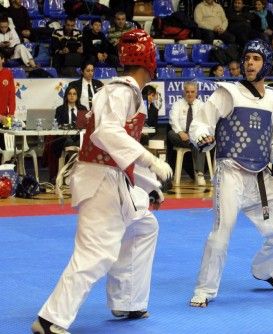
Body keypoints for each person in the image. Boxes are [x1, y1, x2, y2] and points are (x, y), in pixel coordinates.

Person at [31, 29, 173, 334]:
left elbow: (120, 148)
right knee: (96, 251)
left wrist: (149, 186)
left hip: (113, 178)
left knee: (144, 226)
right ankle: (51, 319)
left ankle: (127, 300)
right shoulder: (120, 91)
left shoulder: (128, 93)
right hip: (100, 180)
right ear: (149, 59)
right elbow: (106, 134)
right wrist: (152, 161)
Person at [188, 39, 273, 308]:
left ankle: (263, 270)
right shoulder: (227, 93)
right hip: (231, 174)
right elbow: (200, 122)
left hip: (260, 176)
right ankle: (204, 289)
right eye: (247, 58)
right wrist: (202, 135)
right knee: (222, 229)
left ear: (267, 65)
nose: (249, 62)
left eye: (256, 59)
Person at [44, 86, 88, 182]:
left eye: (74, 94)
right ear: (66, 96)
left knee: (77, 142)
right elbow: (56, 124)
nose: (72, 96)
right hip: (63, 137)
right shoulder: (60, 109)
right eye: (69, 94)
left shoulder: (83, 108)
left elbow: (86, 124)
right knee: (67, 141)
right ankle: (69, 172)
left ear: (78, 96)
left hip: (78, 137)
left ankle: (72, 172)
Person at [168, 81, 207, 186]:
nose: (190, 94)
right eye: (187, 92)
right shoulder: (177, 104)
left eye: (192, 92)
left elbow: (204, 123)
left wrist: (194, 135)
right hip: (180, 136)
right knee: (171, 133)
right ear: (183, 92)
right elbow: (173, 120)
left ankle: (200, 174)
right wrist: (180, 132)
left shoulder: (202, 105)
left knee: (200, 140)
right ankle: (193, 143)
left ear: (196, 92)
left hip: (195, 135)